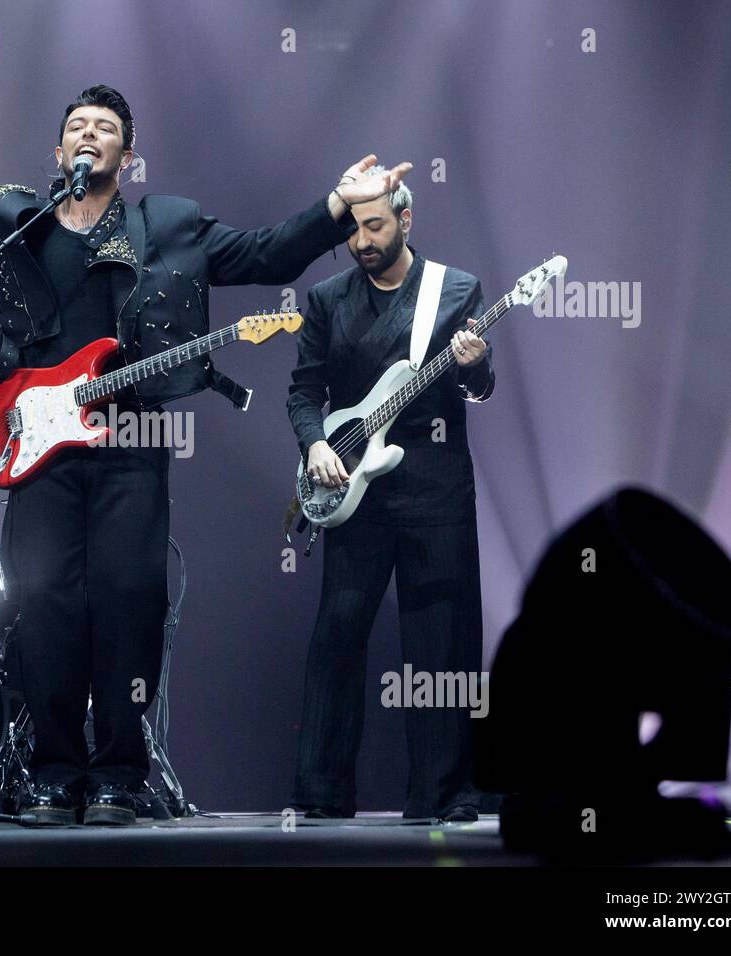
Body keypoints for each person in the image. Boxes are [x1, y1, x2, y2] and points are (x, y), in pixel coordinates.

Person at [0, 85, 410, 825]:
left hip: (129, 442)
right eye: (78, 127)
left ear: (127, 154)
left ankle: (118, 772)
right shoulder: (11, 222)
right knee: (43, 603)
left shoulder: (171, 226)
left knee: (128, 600)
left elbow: (264, 251)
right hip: (36, 445)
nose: (90, 135)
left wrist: (339, 205)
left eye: (106, 128)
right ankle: (56, 772)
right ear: (58, 153)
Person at [287, 167, 493, 822]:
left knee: (441, 638)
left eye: (374, 226)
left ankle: (444, 794)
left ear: (406, 220)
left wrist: (475, 365)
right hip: (354, 484)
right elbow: (302, 391)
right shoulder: (324, 299)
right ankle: (321, 798)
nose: (360, 240)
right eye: (352, 228)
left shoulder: (455, 290)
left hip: (435, 485)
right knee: (337, 638)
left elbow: (480, 391)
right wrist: (315, 444)